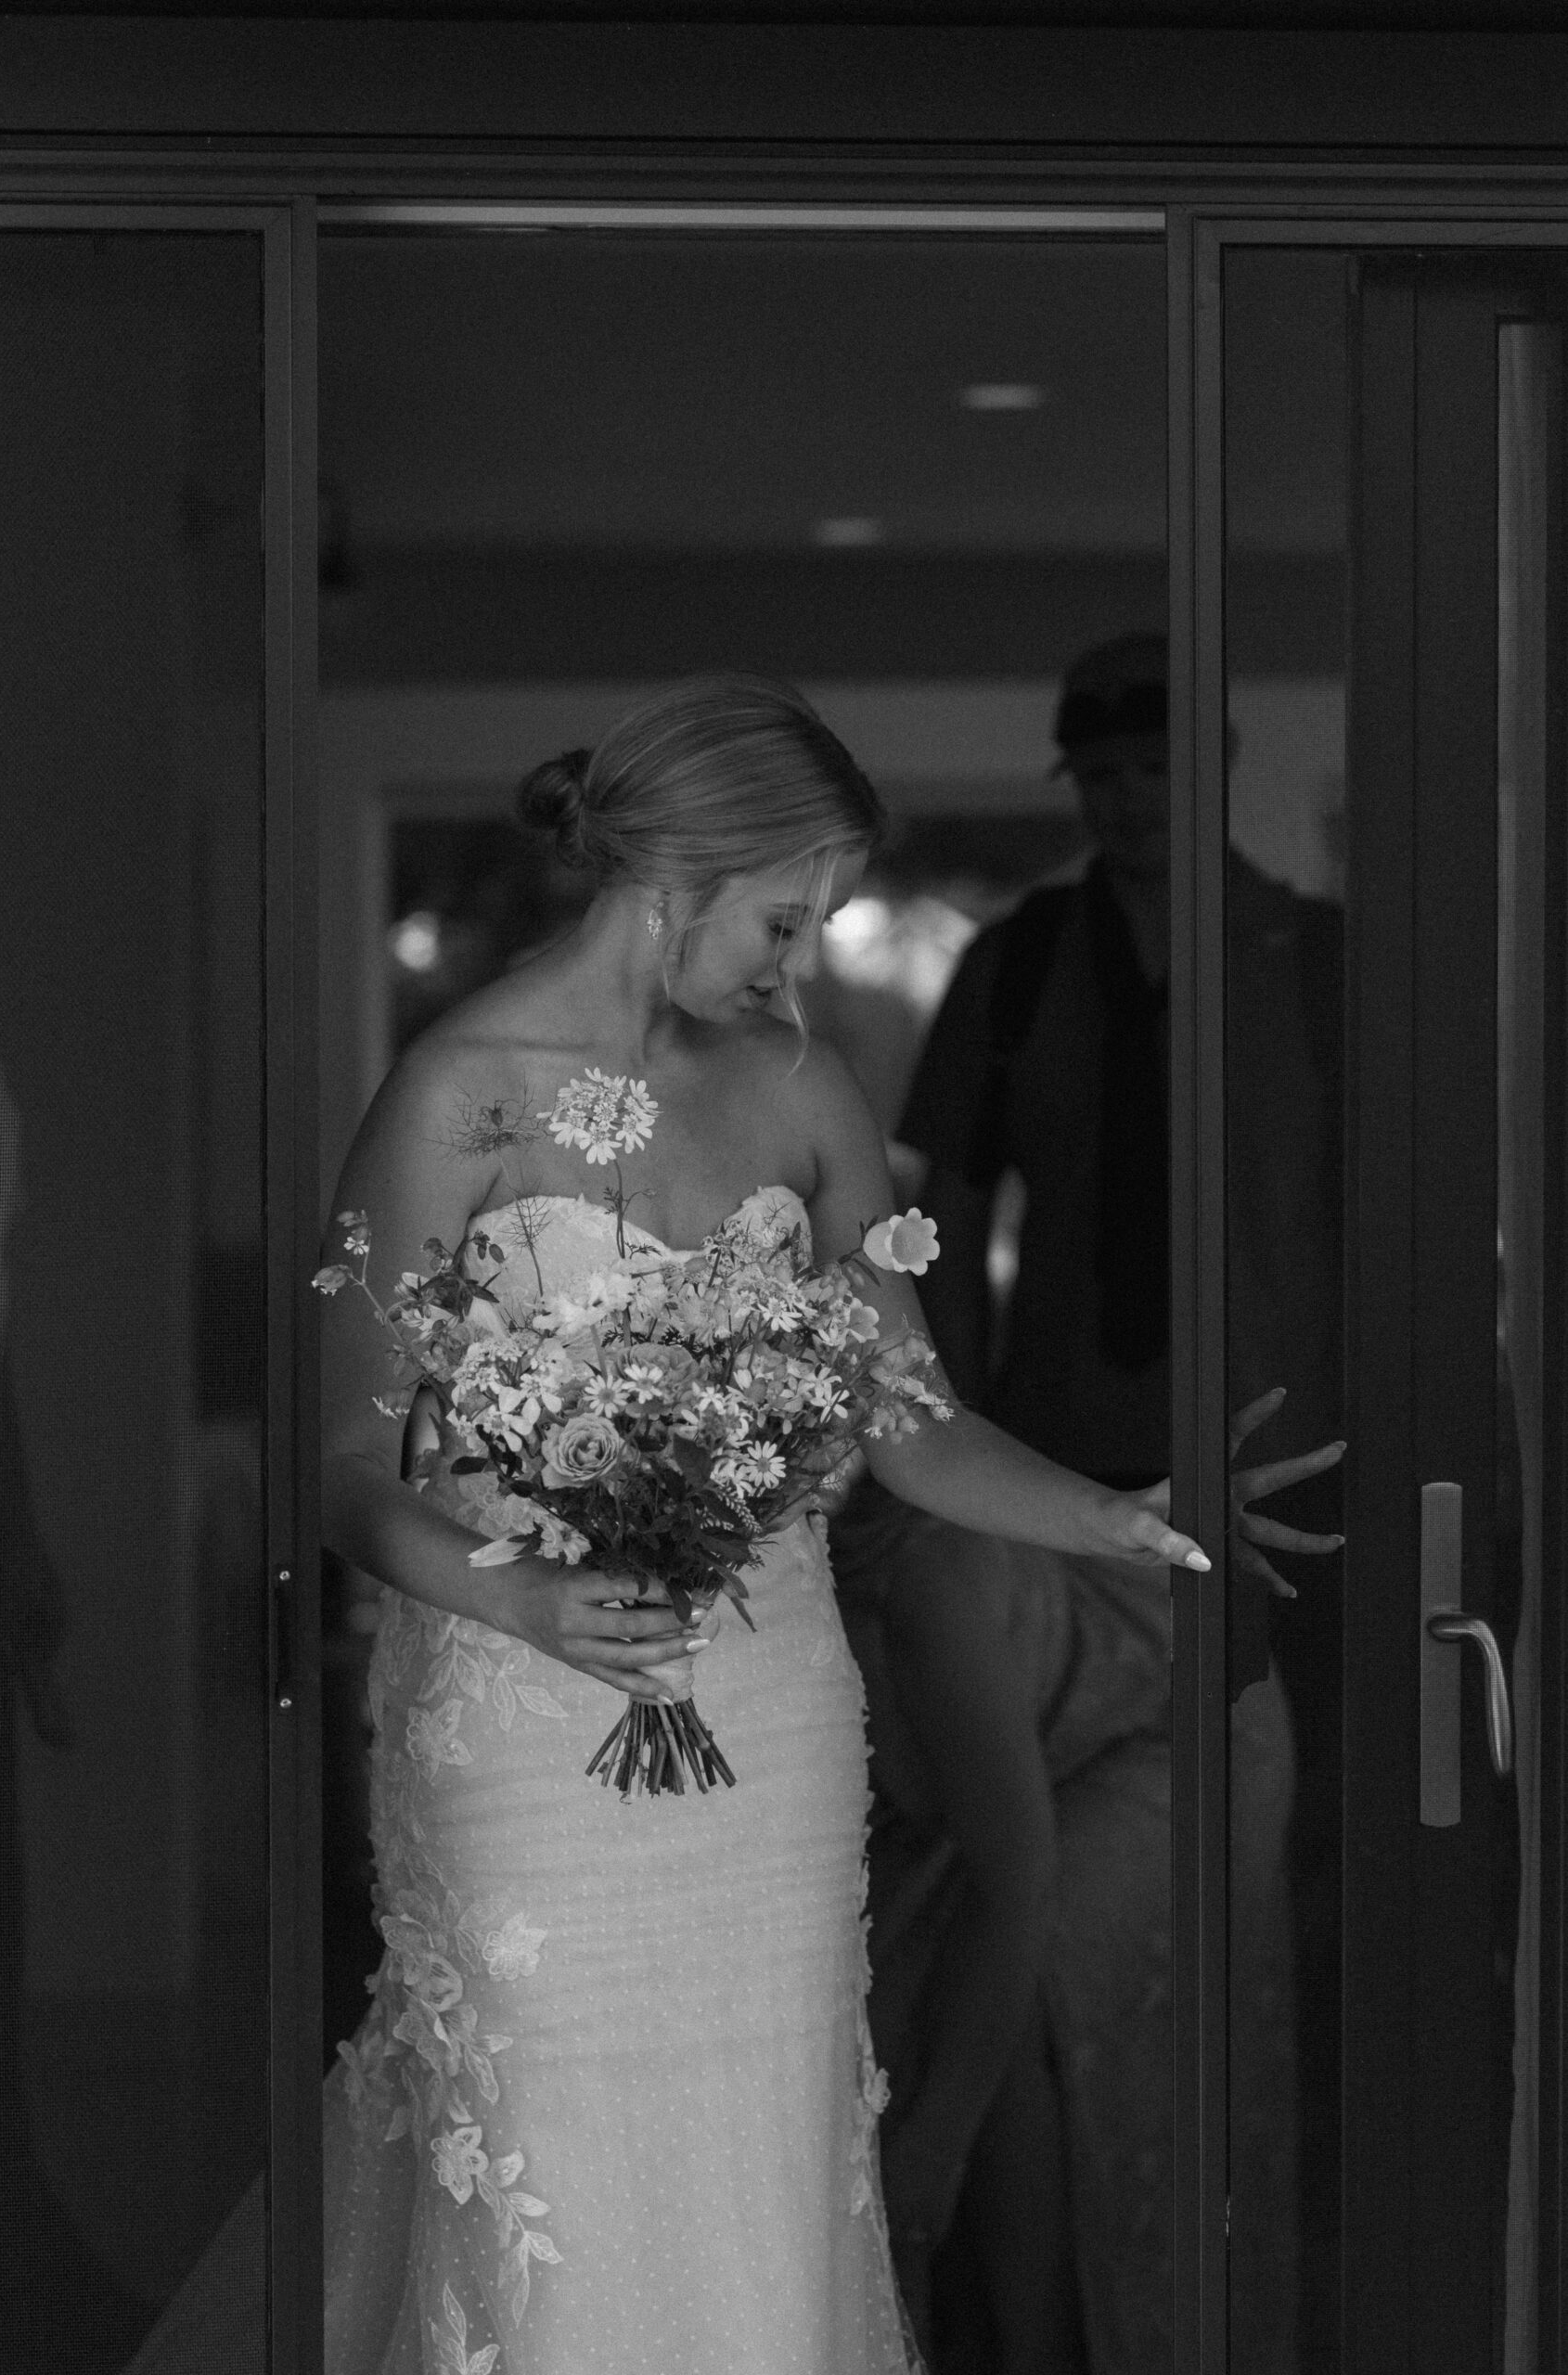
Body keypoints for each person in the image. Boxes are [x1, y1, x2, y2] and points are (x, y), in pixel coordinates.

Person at [317, 674, 1343, 2375]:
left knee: (770, 2165)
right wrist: (527, 1606)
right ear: (683, 872)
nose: (796, 972)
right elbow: (348, 1471)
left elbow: (907, 1417)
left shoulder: (803, 1093)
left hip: (770, 1713)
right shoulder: (457, 1095)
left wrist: (1120, 1513)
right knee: (551, 2168)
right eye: (787, 920)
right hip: (525, 1720)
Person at [875, 632, 1342, 2369]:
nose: (1132, 806)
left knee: (1250, 1933)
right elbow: (936, 1217)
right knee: (1025, 1940)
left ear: (1210, 765)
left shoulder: (1313, 957)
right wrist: (962, 1439)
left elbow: (1384, 1215)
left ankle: (1218, 2304)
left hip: (1291, 1476)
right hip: (1059, 1473)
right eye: (1104, 778)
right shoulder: (1014, 966)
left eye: (1158, 770)